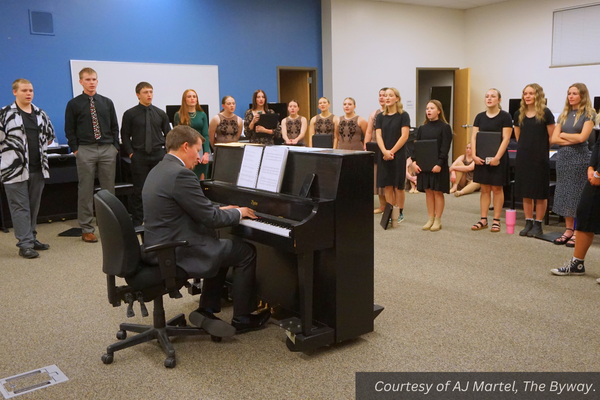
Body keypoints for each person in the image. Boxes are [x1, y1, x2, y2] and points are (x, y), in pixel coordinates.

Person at [142, 125, 271, 335]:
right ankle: (243, 317)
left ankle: (208, 307)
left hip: (159, 244)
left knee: (219, 245)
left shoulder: (159, 169)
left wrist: (222, 208)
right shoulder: (181, 175)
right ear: (186, 146)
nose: (200, 156)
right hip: (176, 250)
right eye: (198, 150)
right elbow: (209, 218)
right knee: (244, 252)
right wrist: (239, 213)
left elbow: (194, 206)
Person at [0, 79, 55, 259]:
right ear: (15, 92)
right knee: (20, 208)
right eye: (24, 90)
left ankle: (31, 238)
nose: (28, 93)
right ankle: (25, 244)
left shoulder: (40, 113)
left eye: (31, 90)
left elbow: (49, 137)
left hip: (37, 168)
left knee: (33, 206)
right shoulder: (5, 114)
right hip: (13, 170)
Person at [65, 67, 119, 243]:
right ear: (81, 81)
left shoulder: (107, 102)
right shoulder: (74, 104)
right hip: (85, 149)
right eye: (88, 79)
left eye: (94, 79)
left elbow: (114, 126)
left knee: (108, 190)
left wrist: (115, 147)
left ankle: (110, 226)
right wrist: (75, 149)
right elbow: (70, 129)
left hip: (106, 149)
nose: (92, 82)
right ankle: (87, 228)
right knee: (85, 190)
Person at [550, 83, 597, 247]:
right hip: (563, 158)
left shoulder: (589, 114)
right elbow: (553, 139)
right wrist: (569, 137)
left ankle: (577, 231)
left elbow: (582, 138)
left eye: (574, 93)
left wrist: (562, 134)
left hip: (580, 158)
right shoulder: (564, 114)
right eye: (569, 93)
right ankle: (568, 229)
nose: (571, 96)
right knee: (564, 193)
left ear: (582, 95)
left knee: (577, 194)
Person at [120, 82, 171, 227]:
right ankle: (138, 221)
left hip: (158, 155)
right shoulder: (130, 114)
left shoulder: (160, 113)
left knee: (161, 187)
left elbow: (169, 134)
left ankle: (161, 219)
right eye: (145, 92)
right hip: (139, 156)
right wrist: (131, 153)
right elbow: (125, 135)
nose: (149, 95)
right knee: (139, 190)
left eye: (151, 92)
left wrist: (167, 152)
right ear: (138, 95)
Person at [551, 130, 600, 277]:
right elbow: (598, 144)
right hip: (595, 175)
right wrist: (591, 167)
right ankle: (577, 264)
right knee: (584, 213)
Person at [513, 83, 556, 237]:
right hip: (524, 157)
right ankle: (528, 221)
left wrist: (539, 149)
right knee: (526, 191)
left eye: (531, 93)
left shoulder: (546, 113)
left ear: (537, 95)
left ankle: (538, 224)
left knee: (540, 192)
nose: (528, 96)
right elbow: (518, 136)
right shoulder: (519, 113)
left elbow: (552, 137)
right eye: (525, 93)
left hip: (540, 157)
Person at [470, 88, 512, 233]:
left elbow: (506, 138)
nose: (489, 99)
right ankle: (483, 219)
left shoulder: (505, 116)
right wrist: (474, 155)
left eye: (493, 96)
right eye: (487, 96)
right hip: (481, 157)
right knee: (485, 189)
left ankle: (496, 220)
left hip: (498, 158)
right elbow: (474, 137)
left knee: (497, 189)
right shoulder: (479, 117)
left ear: (499, 100)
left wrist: (497, 158)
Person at [412, 100, 452, 231]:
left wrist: (439, 163)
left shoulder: (445, 127)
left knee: (437, 192)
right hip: (424, 165)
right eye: (427, 108)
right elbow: (417, 147)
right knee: (428, 192)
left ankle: (438, 219)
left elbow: (445, 147)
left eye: (432, 108)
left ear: (438, 111)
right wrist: (414, 162)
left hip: (438, 165)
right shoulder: (422, 128)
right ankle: (430, 218)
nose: (428, 111)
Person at [375, 87, 410, 226]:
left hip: (398, 154)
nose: (387, 98)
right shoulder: (380, 117)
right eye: (385, 96)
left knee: (398, 186)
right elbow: (378, 135)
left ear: (397, 98)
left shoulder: (403, 115)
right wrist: (384, 151)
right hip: (384, 154)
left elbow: (404, 136)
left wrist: (392, 152)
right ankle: (389, 212)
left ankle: (400, 211)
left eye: (390, 95)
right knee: (388, 185)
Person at [174, 89, 210, 180]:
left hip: (200, 148)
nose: (192, 99)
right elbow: (178, 136)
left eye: (194, 96)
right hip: (186, 149)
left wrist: (206, 153)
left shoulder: (202, 115)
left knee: (202, 177)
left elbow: (206, 134)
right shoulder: (179, 115)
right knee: (189, 176)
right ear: (184, 99)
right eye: (189, 97)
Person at [365, 88, 388, 213]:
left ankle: (391, 204)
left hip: (387, 146)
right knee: (376, 174)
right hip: (375, 145)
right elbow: (369, 131)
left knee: (386, 175)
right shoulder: (374, 113)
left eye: (384, 95)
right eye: (380, 95)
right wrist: (366, 145)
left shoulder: (393, 113)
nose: (382, 98)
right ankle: (382, 205)